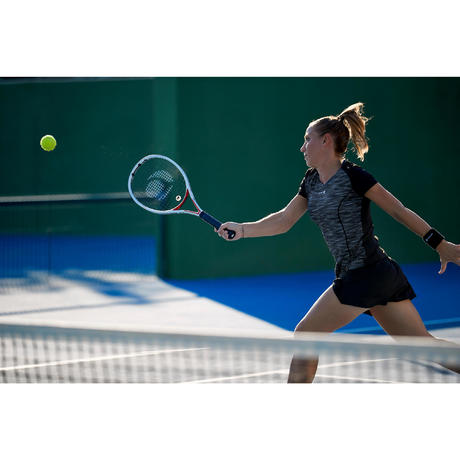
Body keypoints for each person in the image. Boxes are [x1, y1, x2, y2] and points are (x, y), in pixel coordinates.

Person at [217, 102, 460, 383]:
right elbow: (284, 219)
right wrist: (243, 229)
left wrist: (440, 244)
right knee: (425, 346)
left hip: (367, 274)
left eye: (307, 139)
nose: (302, 147)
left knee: (306, 335)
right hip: (374, 276)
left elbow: (398, 210)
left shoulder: (354, 177)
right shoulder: (311, 181)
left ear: (326, 141)